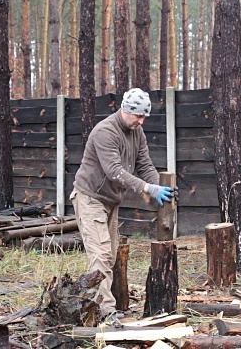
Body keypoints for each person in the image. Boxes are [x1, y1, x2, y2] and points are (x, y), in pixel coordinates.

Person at [70, 87, 175, 324]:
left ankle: (98, 302)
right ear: (125, 110)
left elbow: (145, 165)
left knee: (111, 255)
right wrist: (147, 189)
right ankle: (105, 312)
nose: (141, 121)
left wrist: (160, 186)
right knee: (100, 254)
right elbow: (114, 171)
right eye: (137, 115)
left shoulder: (137, 133)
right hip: (90, 198)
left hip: (110, 201)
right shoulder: (105, 131)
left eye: (144, 116)